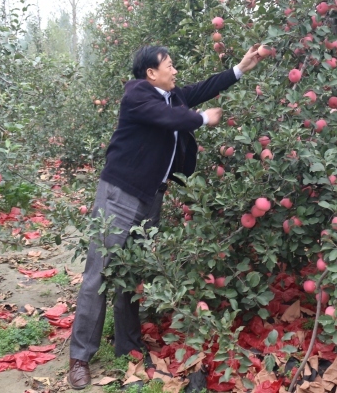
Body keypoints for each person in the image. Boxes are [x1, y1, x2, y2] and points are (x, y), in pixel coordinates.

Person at [68, 44, 263, 389]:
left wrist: (240, 69)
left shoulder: (171, 96)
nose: (175, 71)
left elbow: (201, 89)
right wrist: (203, 119)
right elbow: (169, 119)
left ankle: (127, 343)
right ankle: (80, 356)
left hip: (150, 197)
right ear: (151, 74)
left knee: (131, 272)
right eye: (169, 66)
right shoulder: (138, 95)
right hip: (120, 193)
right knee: (99, 272)